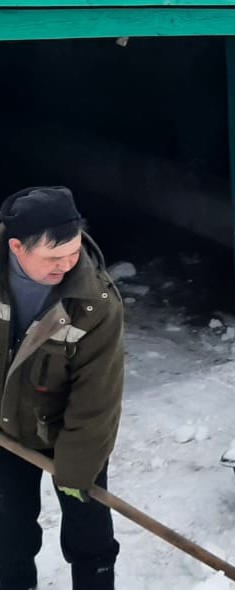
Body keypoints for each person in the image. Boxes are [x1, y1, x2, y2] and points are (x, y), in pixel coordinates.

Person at [0, 186, 124, 589]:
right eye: (54, 258)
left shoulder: (94, 301)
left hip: (72, 431)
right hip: (5, 429)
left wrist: (77, 470)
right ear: (17, 247)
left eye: (73, 252)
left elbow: (97, 397)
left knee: (89, 533)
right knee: (8, 536)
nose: (68, 265)